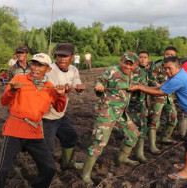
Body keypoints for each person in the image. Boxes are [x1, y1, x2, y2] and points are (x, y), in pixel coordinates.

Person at [128, 56, 187, 180]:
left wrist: (141, 88)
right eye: (165, 69)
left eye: (169, 68)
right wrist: (141, 86)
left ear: (178, 67)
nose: (167, 71)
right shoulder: (175, 76)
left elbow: (162, 93)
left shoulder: (179, 79)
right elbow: (161, 86)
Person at [0, 53, 67, 188]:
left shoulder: (50, 87)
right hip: (15, 129)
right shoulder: (19, 78)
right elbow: (4, 102)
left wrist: (61, 95)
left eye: (41, 65)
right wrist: (12, 90)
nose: (36, 68)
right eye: (34, 64)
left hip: (34, 131)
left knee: (50, 168)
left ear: (48, 69)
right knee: (3, 168)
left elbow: (59, 109)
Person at [81, 52, 140, 184]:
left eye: (131, 64)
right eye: (126, 63)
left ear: (135, 65)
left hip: (120, 113)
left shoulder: (134, 75)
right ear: (121, 61)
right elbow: (100, 82)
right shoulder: (112, 71)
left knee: (133, 133)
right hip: (106, 113)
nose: (128, 66)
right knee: (99, 143)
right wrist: (99, 87)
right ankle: (85, 174)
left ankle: (122, 157)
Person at [42, 43, 86, 170]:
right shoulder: (49, 70)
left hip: (60, 114)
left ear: (71, 57)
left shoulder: (73, 70)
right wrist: (62, 90)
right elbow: (45, 89)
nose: (61, 58)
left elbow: (77, 84)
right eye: (59, 56)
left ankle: (67, 163)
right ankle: (46, 171)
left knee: (70, 136)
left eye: (65, 56)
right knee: (47, 148)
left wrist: (79, 88)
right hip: (47, 116)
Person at [147, 46, 178, 154]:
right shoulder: (157, 66)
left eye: (172, 55)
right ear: (163, 55)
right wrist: (161, 86)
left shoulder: (176, 68)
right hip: (157, 96)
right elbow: (152, 81)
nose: (169, 56)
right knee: (154, 120)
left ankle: (165, 138)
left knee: (173, 117)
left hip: (169, 97)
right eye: (167, 54)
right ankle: (152, 145)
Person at [127, 50, 150, 163]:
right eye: (140, 57)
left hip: (142, 104)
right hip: (134, 104)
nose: (143, 59)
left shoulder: (145, 71)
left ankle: (137, 152)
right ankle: (137, 153)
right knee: (138, 128)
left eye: (145, 57)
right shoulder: (135, 71)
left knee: (142, 127)